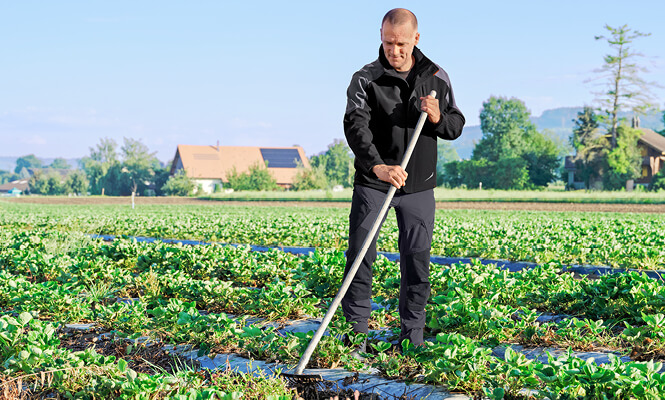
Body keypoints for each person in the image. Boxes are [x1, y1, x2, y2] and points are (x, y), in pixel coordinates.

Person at [342, 8, 465, 350]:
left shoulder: (437, 76)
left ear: (416, 39)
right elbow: (355, 126)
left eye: (401, 44)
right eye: (387, 43)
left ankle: (412, 337)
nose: (394, 51)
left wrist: (438, 117)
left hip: (418, 186)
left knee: (416, 259)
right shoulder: (365, 78)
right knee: (360, 255)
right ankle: (356, 337)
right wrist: (377, 167)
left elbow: (455, 124)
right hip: (374, 183)